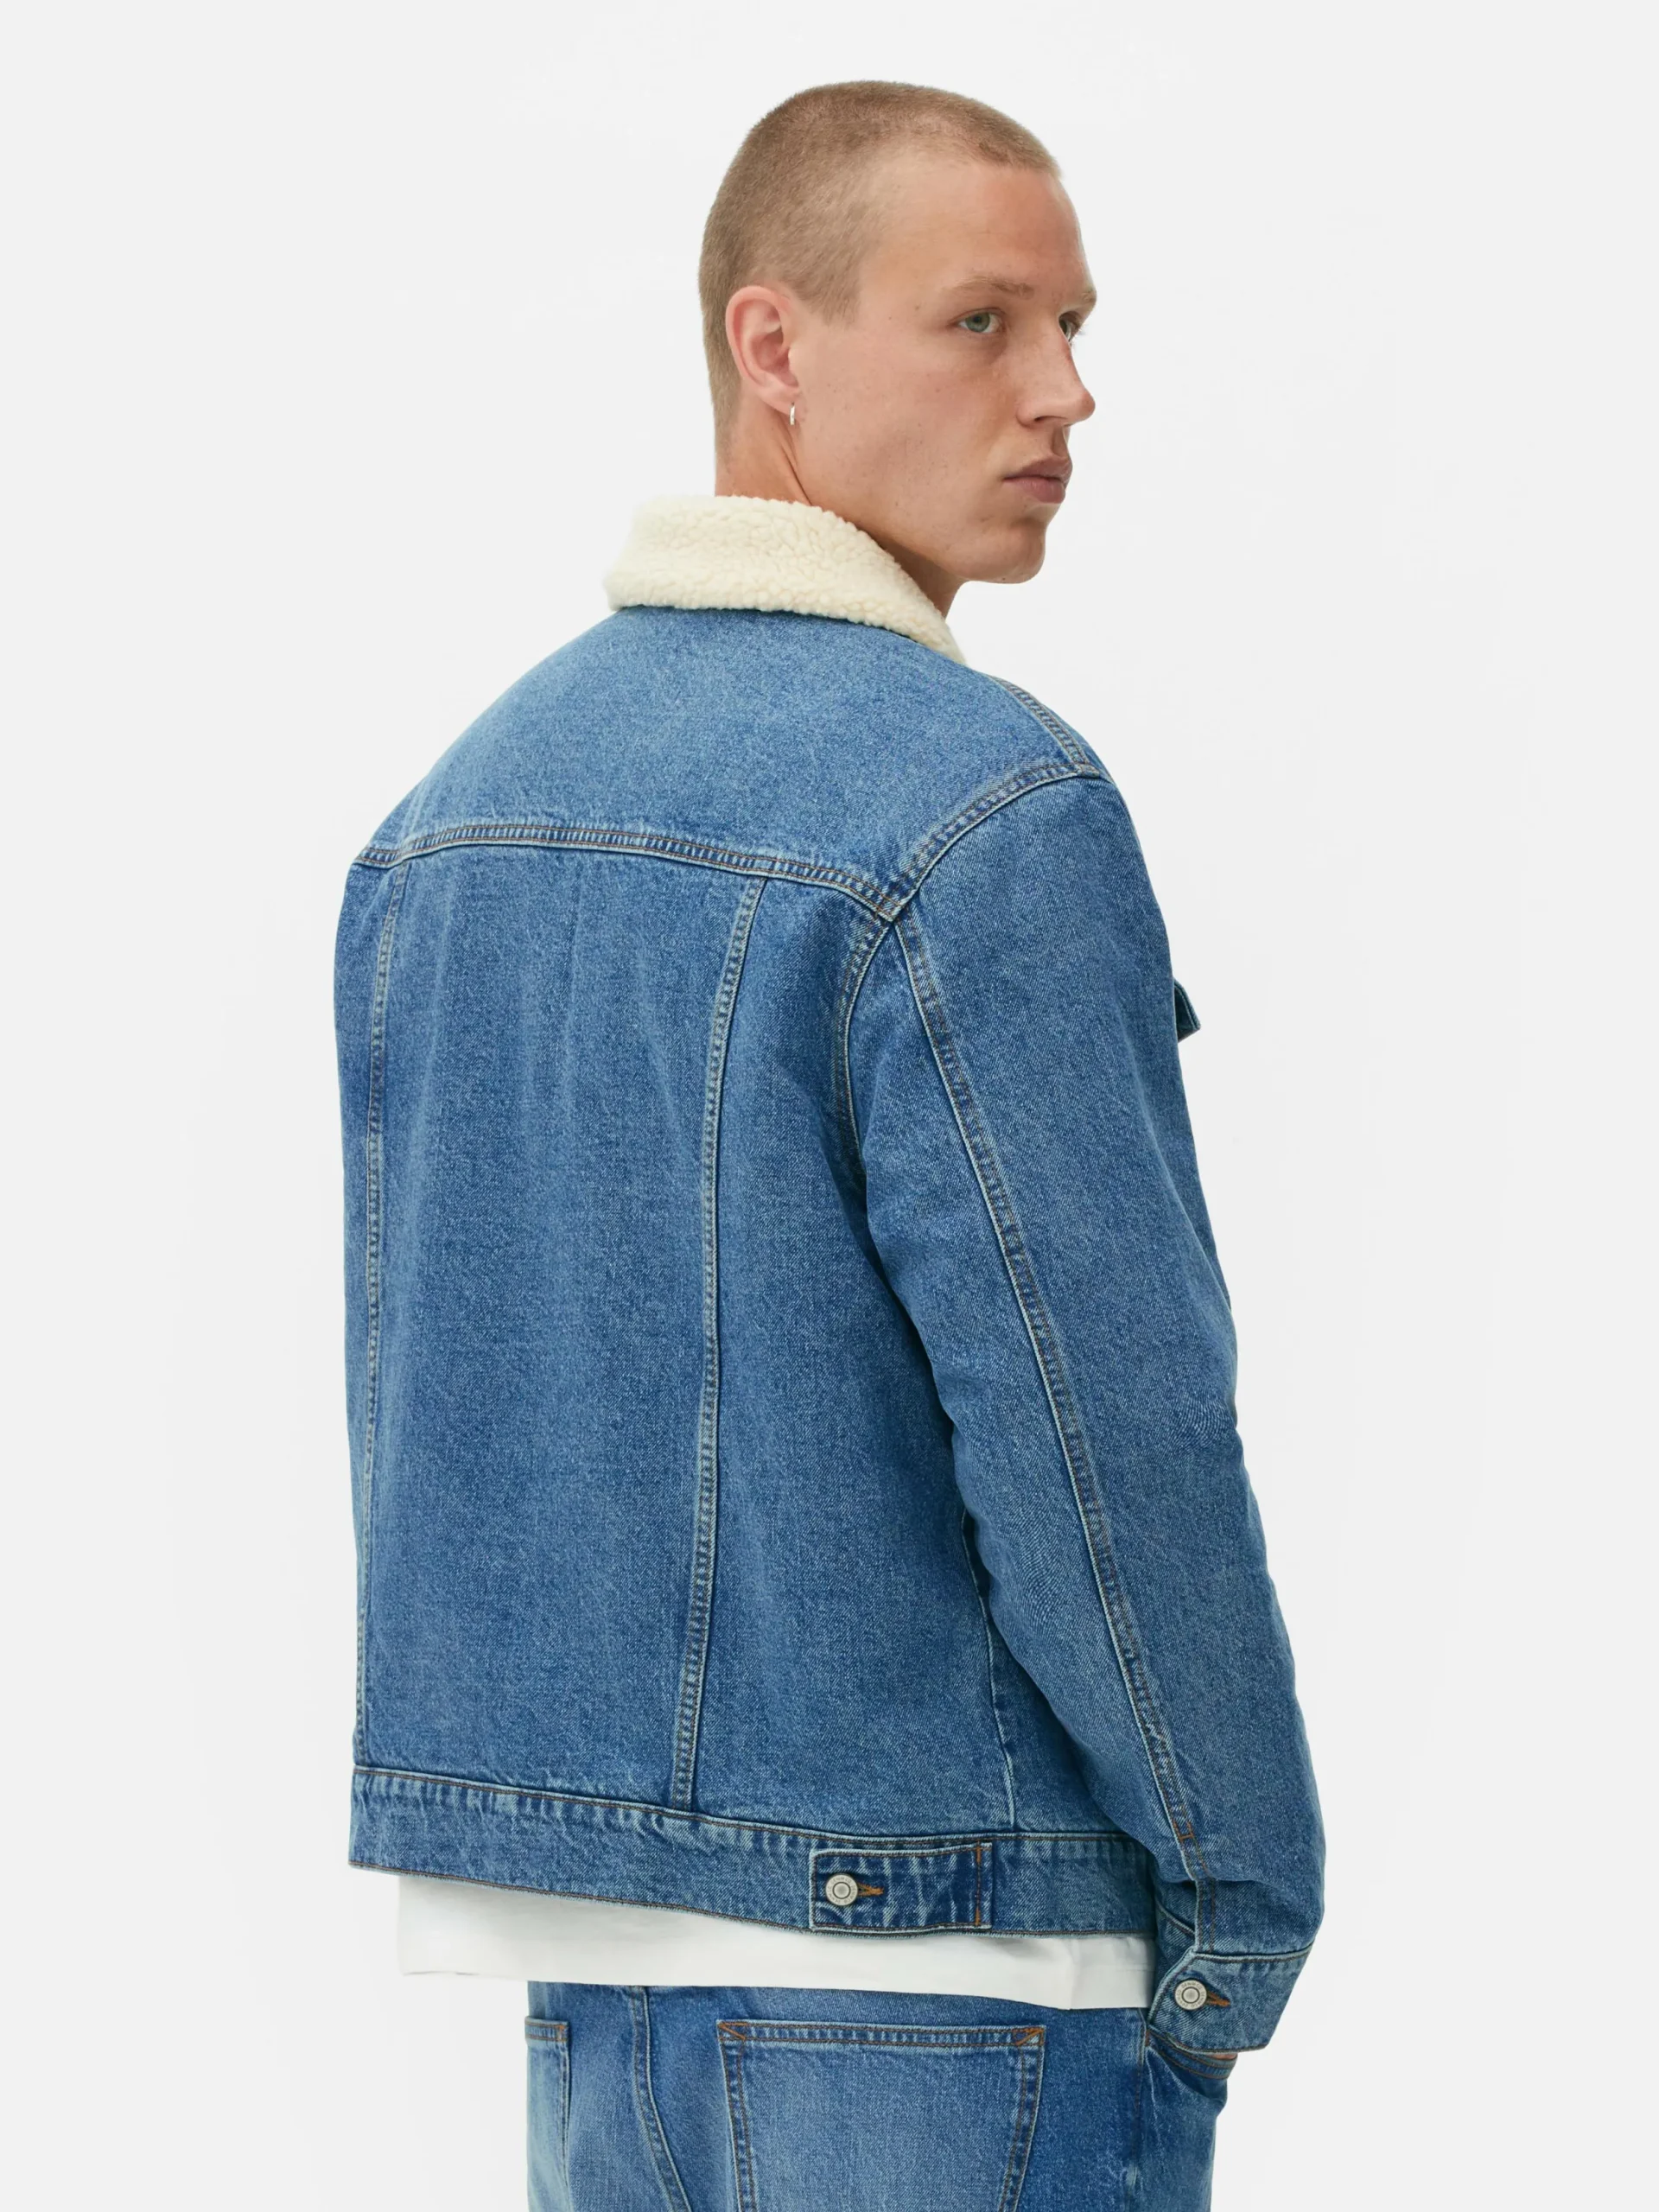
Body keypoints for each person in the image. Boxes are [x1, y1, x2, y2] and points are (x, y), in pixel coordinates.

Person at [334, 79, 1324, 2212]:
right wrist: (1243, 1892)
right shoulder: (984, 812)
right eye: (984, 322)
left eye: (1073, 326)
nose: (1064, 391)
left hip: (594, 1992)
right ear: (771, 345)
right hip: (959, 1979)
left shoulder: (453, 817)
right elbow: (1108, 1428)